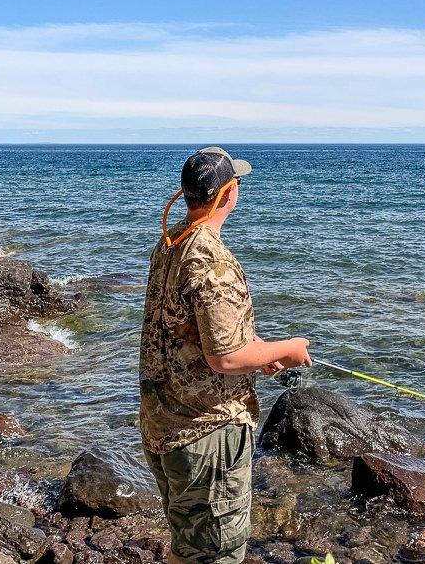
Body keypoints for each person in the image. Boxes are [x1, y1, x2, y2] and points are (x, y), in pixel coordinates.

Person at [140, 147, 312, 564]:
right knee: (217, 552)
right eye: (235, 183)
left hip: (163, 424)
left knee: (191, 545)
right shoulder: (213, 259)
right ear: (228, 194)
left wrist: (260, 355)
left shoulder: (172, 242)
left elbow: (191, 337)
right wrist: (290, 349)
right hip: (206, 432)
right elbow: (226, 359)